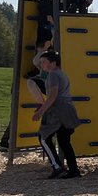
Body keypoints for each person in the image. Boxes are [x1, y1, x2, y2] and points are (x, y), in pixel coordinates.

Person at [31, 50, 82, 179]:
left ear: (53, 63)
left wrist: (41, 111)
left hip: (59, 111)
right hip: (67, 110)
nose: (41, 64)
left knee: (43, 137)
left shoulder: (53, 75)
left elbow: (53, 96)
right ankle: (73, 170)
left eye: (44, 62)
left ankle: (57, 166)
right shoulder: (61, 74)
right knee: (64, 141)